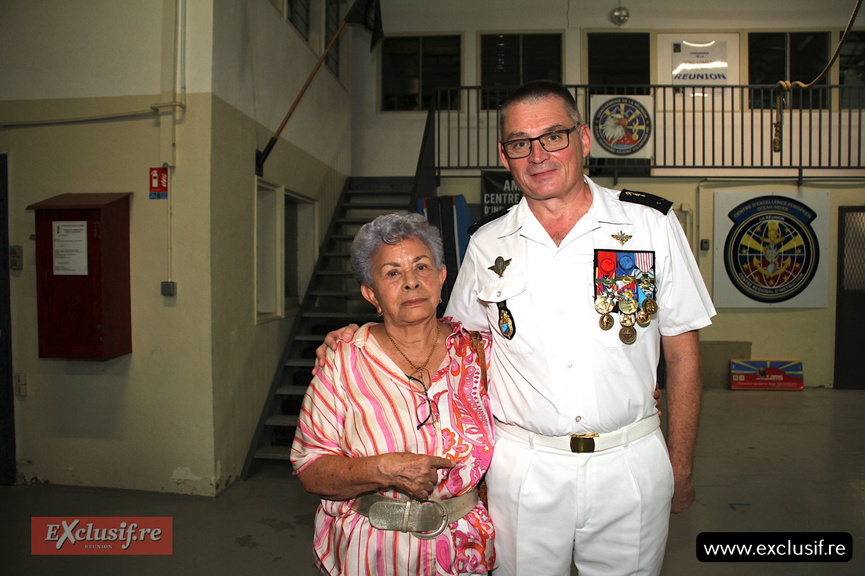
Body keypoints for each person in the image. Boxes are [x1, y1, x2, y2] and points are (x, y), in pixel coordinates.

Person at [316, 80, 715, 576]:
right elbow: (452, 339)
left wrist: (680, 463)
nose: (538, 155)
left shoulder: (650, 225)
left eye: (554, 136)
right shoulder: (487, 243)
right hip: (525, 468)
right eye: (520, 143)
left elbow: (683, 352)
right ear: (506, 156)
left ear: (585, 139)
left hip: (630, 461)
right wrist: (365, 334)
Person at [291, 212, 496, 576]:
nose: (411, 283)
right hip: (368, 555)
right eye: (392, 273)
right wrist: (381, 469)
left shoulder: (481, 353)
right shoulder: (344, 361)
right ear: (372, 294)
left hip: (466, 554)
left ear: (442, 277)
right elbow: (310, 468)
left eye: (421, 267)